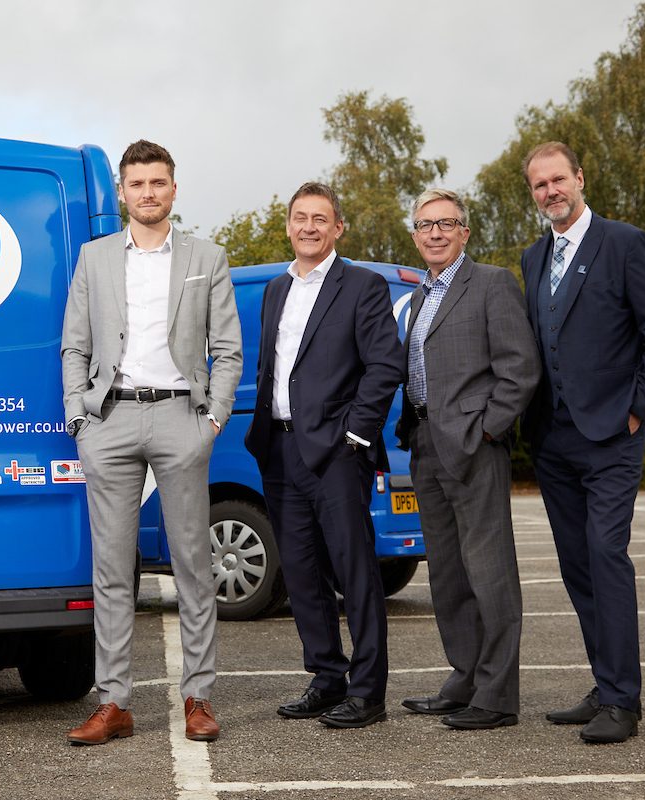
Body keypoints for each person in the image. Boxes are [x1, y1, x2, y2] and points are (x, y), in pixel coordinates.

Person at [60, 140, 243, 745]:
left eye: (158, 183)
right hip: (109, 420)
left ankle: (199, 696)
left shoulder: (206, 256)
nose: (148, 193)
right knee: (113, 569)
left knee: (193, 563)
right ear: (121, 192)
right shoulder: (94, 258)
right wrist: (79, 420)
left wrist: (212, 421)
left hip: (179, 420)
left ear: (173, 188)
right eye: (137, 184)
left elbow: (228, 348)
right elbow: (75, 345)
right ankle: (113, 702)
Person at [520, 142, 645, 744]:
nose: (550, 192)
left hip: (613, 434)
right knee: (577, 565)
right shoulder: (533, 257)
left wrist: (641, 409)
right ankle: (604, 681)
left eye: (557, 179)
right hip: (554, 439)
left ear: (579, 179)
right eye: (539, 185)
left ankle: (623, 701)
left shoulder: (623, 242)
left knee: (606, 556)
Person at [243, 181, 402, 729]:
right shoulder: (274, 289)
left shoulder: (361, 285)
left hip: (337, 452)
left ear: (338, 228)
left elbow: (385, 365)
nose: (309, 227)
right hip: (280, 449)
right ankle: (326, 676)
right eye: (300, 217)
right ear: (288, 225)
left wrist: (356, 436)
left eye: (320, 218)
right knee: (302, 572)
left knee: (354, 570)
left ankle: (368, 691)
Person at [396, 188, 539, 730]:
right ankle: (465, 678)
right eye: (425, 224)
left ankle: (498, 696)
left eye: (446, 223)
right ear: (414, 233)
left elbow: (520, 369)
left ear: (465, 232)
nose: (435, 232)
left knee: (490, 572)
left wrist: (487, 430)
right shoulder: (416, 298)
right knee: (448, 575)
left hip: (474, 447)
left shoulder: (491, 284)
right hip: (426, 443)